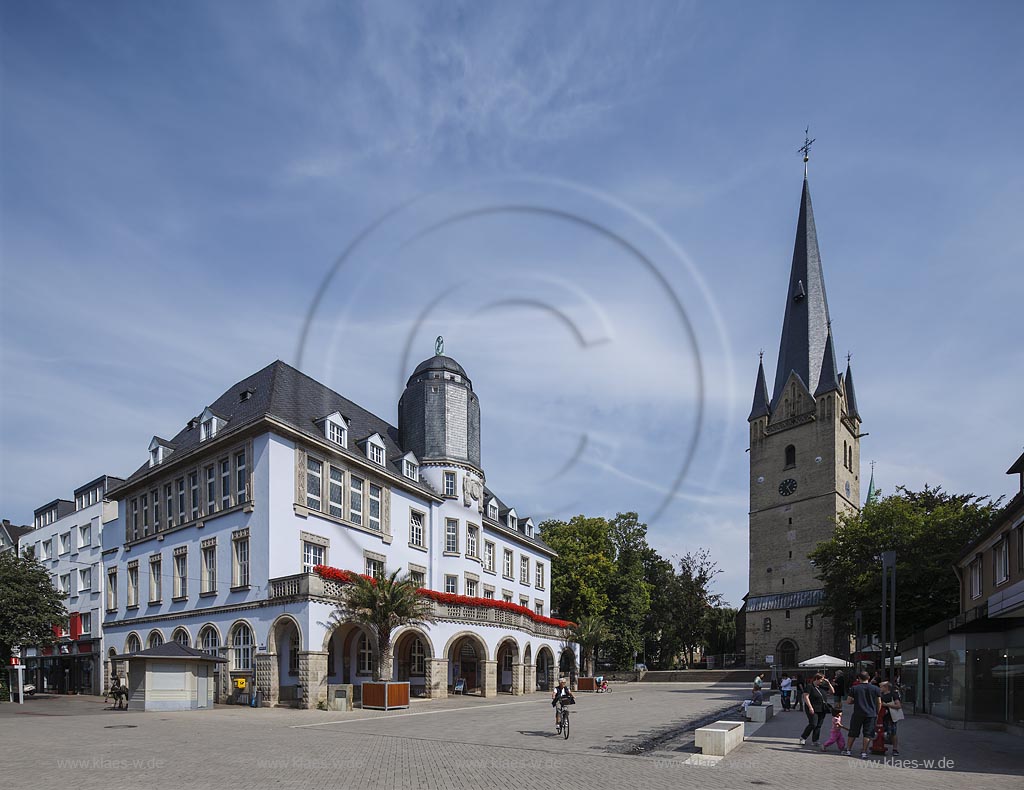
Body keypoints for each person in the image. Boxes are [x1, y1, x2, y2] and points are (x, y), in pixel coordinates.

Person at [844, 671, 882, 758]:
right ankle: (864, 752)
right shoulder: (876, 689)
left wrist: (856, 701)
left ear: (859, 678)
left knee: (853, 732)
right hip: (871, 713)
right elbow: (879, 702)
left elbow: (848, 701)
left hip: (858, 713)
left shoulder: (854, 688)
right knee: (867, 733)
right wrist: (877, 712)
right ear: (868, 678)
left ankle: (848, 750)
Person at [799, 674, 830, 746]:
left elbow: (832, 691)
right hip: (813, 708)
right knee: (813, 724)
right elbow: (806, 697)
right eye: (821, 679)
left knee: (819, 725)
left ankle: (815, 740)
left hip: (822, 708)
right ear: (816, 679)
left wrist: (829, 683)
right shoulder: (810, 686)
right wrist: (810, 707)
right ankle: (803, 737)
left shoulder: (822, 687)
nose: (822, 681)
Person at [880, 680, 902, 756]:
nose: (880, 688)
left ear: (886, 687)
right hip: (882, 717)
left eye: (881, 686)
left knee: (893, 733)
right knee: (881, 732)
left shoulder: (893, 695)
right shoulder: (880, 695)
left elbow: (898, 706)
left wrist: (886, 705)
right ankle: (880, 746)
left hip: (891, 717)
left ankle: (895, 749)